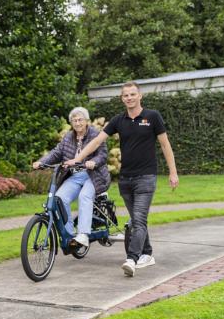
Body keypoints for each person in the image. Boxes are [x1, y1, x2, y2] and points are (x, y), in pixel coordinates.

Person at [66, 81, 178, 277]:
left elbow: (165, 145)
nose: (129, 98)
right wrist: (78, 158)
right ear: (122, 98)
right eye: (126, 95)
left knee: (139, 219)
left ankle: (132, 259)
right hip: (125, 179)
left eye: (133, 94)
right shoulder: (119, 120)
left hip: (146, 177)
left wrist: (173, 172)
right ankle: (148, 254)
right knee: (137, 219)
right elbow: (96, 141)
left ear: (140, 96)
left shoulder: (152, 117)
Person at [33, 107, 110, 248]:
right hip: (75, 176)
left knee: (85, 196)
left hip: (94, 175)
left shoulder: (95, 134)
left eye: (80, 119)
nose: (77, 123)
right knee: (59, 198)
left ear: (86, 121)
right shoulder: (68, 137)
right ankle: (70, 235)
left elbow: (103, 154)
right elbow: (56, 153)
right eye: (74, 120)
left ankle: (83, 235)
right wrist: (42, 162)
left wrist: (94, 162)